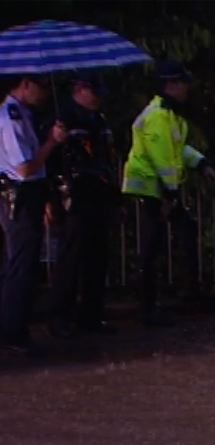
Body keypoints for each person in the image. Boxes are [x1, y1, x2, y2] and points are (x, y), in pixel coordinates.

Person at [121, 61, 215, 326]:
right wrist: (171, 193)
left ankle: (184, 294)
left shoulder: (170, 115)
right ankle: (148, 306)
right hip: (150, 188)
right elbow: (162, 157)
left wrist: (200, 162)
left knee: (180, 235)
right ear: (171, 85)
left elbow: (178, 149)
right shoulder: (157, 116)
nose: (187, 89)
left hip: (161, 188)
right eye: (183, 83)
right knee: (151, 247)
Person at [46, 72, 118, 338]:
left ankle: (91, 315)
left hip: (97, 192)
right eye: (94, 93)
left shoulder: (98, 119)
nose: (98, 99)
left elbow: (106, 155)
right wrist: (52, 199)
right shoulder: (63, 118)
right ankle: (60, 316)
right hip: (73, 195)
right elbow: (52, 162)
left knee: (97, 256)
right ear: (80, 90)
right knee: (71, 257)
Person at [0, 74, 67, 354]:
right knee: (22, 263)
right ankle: (12, 331)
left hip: (28, 194)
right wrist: (52, 142)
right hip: (20, 194)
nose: (44, 93)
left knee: (24, 261)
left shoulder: (22, 113)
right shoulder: (11, 116)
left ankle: (16, 326)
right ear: (25, 84)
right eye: (40, 86)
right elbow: (25, 167)